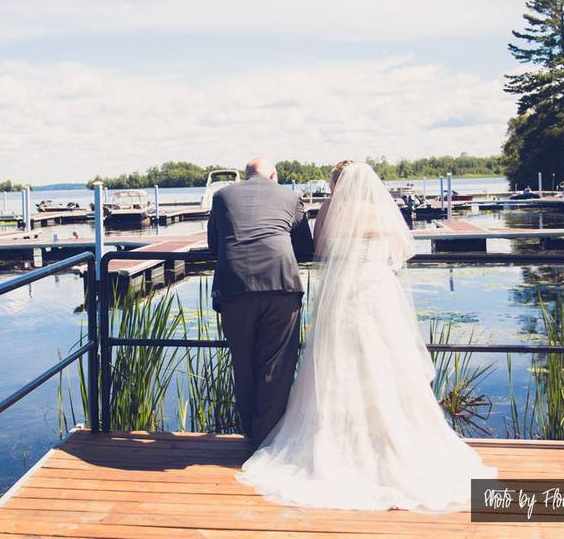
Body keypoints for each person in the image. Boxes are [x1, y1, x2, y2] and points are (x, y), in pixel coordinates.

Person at [237, 160, 497, 511]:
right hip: (378, 290)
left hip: (343, 294)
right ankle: (390, 441)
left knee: (339, 365)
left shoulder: (331, 207)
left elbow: (319, 247)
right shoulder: (381, 208)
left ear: (337, 185)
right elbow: (398, 251)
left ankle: (342, 445)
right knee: (387, 363)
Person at [207, 156, 314, 446]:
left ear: (245, 175)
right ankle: (266, 441)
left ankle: (251, 435)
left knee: (243, 364)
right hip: (280, 284)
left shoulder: (222, 196)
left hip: (235, 286)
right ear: (274, 175)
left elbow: (213, 245)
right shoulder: (291, 197)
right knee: (276, 367)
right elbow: (305, 248)